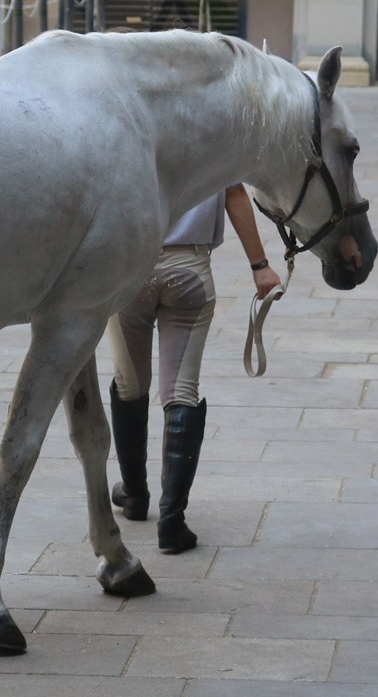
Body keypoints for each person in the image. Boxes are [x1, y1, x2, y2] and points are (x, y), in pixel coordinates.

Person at [106, 184, 281, 553]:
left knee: (130, 384)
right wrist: (260, 266)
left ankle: (135, 493)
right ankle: (172, 522)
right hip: (190, 271)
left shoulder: (126, 128)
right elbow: (234, 194)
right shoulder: (215, 130)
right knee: (181, 391)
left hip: (127, 271)